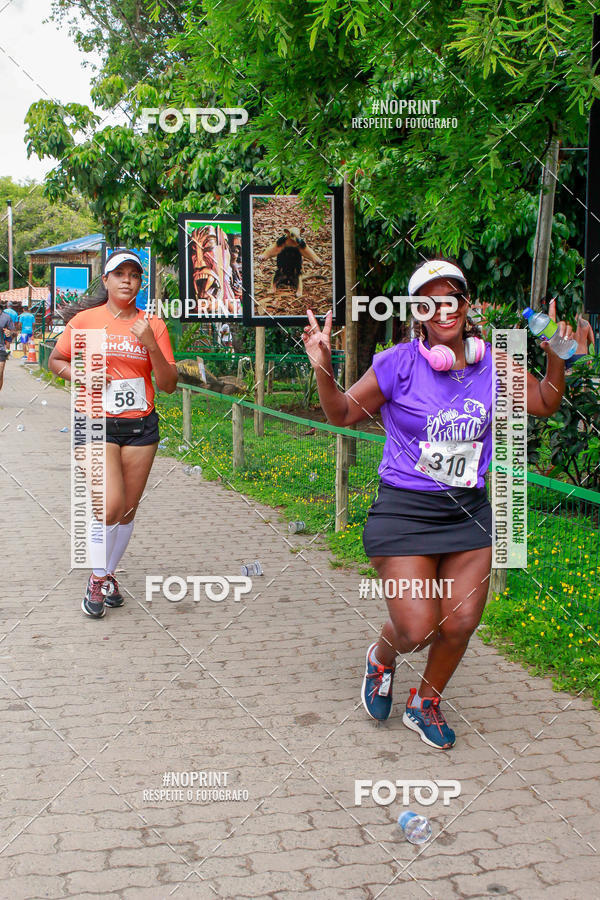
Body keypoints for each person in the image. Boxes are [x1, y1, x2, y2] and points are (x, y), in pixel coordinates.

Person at [302, 259, 573, 750]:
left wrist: (556, 356)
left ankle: (424, 701)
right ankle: (382, 658)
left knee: (463, 620)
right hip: (404, 512)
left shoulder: (494, 365)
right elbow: (342, 412)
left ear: (466, 307)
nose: (442, 309)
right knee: (418, 626)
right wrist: (323, 367)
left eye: (452, 298)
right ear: (418, 313)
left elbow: (545, 401)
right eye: (430, 301)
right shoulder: (397, 363)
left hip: (467, 512)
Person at [48, 250, 178, 618]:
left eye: (134, 274)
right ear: (105, 281)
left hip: (140, 425)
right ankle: (98, 576)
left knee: (127, 511)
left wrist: (150, 343)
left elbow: (168, 384)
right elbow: (55, 361)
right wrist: (82, 376)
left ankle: (107, 575)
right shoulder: (86, 321)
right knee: (109, 505)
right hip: (94, 421)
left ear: (140, 282)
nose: (126, 280)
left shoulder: (153, 324)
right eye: (118, 274)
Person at [0, 306, 16, 391]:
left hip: (1, 348)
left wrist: (10, 333)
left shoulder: (6, 317)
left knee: (0, 373)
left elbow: (14, 332)